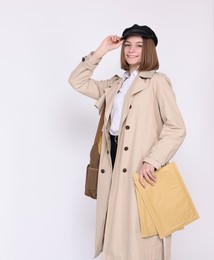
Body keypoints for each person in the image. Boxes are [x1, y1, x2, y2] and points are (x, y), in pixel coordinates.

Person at [68, 24, 186, 259]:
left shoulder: (157, 83)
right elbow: (77, 81)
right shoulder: (115, 84)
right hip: (111, 166)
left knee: (140, 238)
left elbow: (176, 127)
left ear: (149, 49)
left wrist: (152, 161)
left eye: (139, 46)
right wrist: (101, 51)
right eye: (128, 45)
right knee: (115, 237)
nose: (131, 50)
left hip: (139, 168)